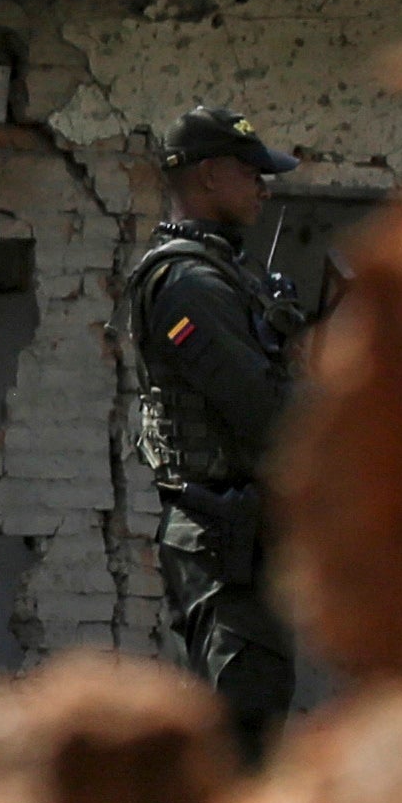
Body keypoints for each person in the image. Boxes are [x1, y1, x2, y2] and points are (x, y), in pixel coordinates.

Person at [130, 106, 303, 759]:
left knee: (254, 710)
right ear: (207, 176)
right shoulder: (189, 284)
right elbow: (263, 412)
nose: (264, 185)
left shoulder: (232, 273)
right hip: (221, 532)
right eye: (250, 171)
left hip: (246, 534)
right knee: (242, 727)